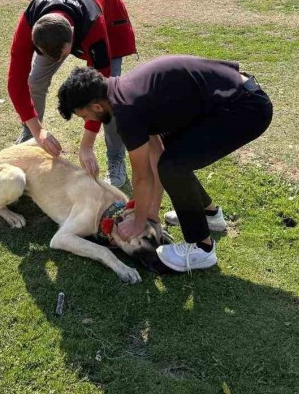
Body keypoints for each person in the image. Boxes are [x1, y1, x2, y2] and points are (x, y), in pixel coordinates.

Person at [55, 55, 273, 272]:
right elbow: (156, 154)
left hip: (245, 108)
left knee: (174, 166)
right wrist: (151, 212)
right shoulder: (123, 91)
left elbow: (142, 176)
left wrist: (139, 222)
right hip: (237, 96)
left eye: (84, 116)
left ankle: (201, 248)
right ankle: (209, 214)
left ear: (96, 106)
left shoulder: (126, 111)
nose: (87, 122)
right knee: (171, 157)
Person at [7, 0, 136, 186]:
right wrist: (37, 130)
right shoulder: (30, 23)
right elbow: (16, 81)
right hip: (60, 25)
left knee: (112, 97)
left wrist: (87, 145)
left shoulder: (93, 25)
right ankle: (29, 135)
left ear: (73, 37)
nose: (56, 61)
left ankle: (115, 158)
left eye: (62, 55)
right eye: (46, 54)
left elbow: (100, 94)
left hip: (106, 16)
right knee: (35, 81)